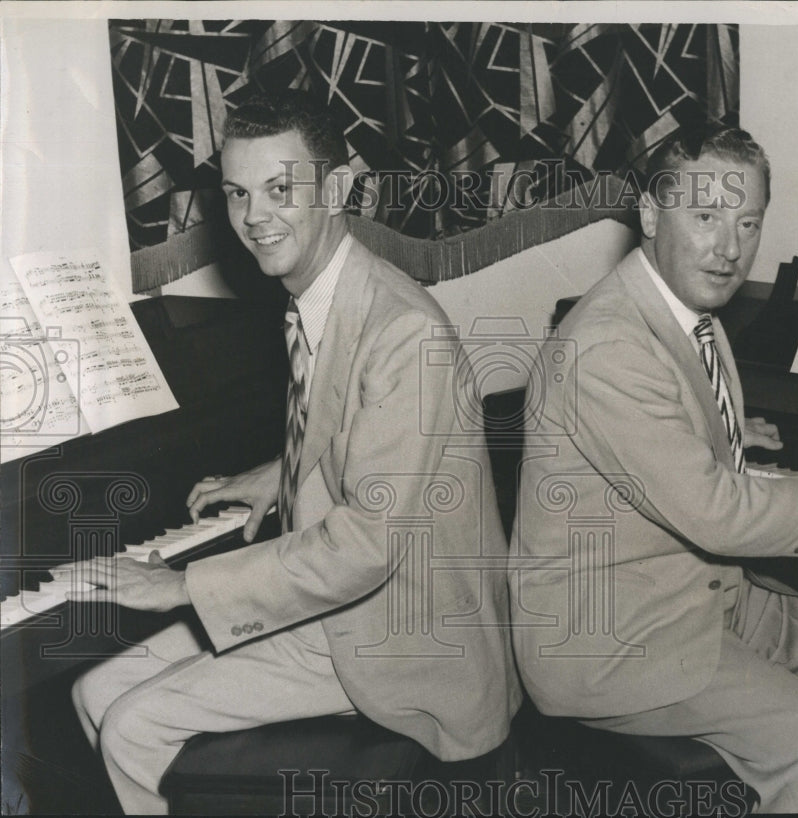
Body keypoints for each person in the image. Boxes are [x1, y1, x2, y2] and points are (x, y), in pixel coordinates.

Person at [59, 92, 521, 814]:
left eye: (281, 190)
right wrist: (282, 473)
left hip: (399, 640)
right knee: (93, 690)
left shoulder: (405, 334)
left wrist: (181, 585)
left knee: (131, 726)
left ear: (336, 189)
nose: (254, 219)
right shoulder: (322, 296)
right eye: (238, 194)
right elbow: (373, 441)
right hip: (339, 609)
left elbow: (365, 547)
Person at [508, 124, 798, 813]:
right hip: (613, 637)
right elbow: (714, 511)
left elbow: (663, 443)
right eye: (706, 217)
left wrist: (728, 436)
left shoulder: (693, 315)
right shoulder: (608, 343)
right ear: (652, 215)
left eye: (748, 222)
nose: (729, 247)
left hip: (699, 599)